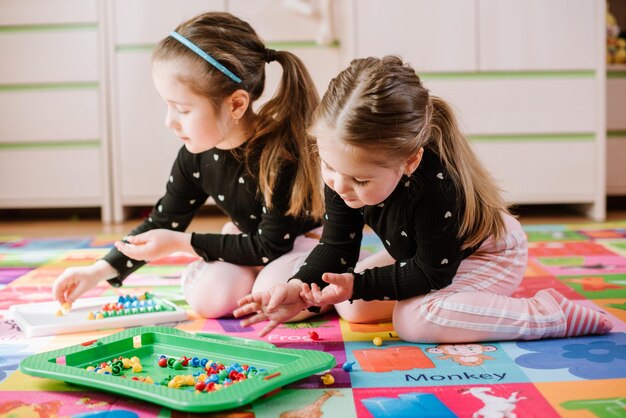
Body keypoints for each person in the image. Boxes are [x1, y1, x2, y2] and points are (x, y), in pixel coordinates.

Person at [234, 56, 614, 342]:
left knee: (414, 320)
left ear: (410, 161)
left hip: (487, 255)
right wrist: (299, 287)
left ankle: (547, 315)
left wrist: (358, 284)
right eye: (329, 166)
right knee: (352, 305)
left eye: (361, 179)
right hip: (421, 253)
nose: (340, 185)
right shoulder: (342, 169)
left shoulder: (435, 187)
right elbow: (337, 246)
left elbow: (433, 273)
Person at [52, 12, 325, 319]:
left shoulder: (280, 154)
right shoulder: (196, 155)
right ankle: (252, 281)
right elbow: (164, 221)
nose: (169, 122)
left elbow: (270, 245)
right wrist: (95, 272)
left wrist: (181, 244)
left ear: (236, 104)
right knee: (210, 300)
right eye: (168, 106)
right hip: (250, 242)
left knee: (276, 292)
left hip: (299, 244)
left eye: (181, 109)